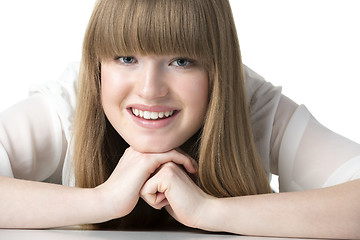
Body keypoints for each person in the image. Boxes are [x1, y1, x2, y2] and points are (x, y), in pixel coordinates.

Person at [0, 0, 359, 239]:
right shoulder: (70, 104)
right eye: (126, 57)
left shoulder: (250, 103)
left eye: (181, 61)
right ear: (97, 65)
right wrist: (102, 200)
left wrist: (210, 211)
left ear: (217, 68)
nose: (149, 89)